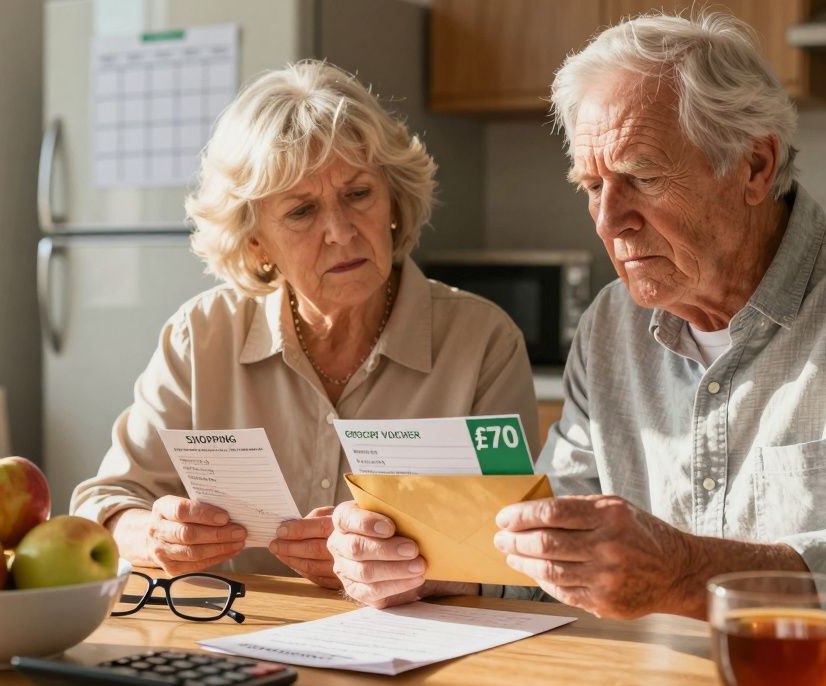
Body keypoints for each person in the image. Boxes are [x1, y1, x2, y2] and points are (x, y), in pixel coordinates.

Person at [328, 12, 826, 641]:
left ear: (755, 165)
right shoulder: (611, 326)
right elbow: (556, 548)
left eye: (641, 177)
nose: (609, 221)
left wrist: (689, 573)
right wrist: (441, 567)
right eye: (592, 187)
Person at [71, 61, 538, 587]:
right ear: (256, 242)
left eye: (358, 194)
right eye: (301, 212)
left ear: (392, 201)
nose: (340, 231)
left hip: (425, 650)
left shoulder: (482, 344)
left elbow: (514, 560)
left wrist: (396, 572)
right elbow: (104, 506)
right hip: (239, 642)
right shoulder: (201, 337)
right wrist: (157, 536)